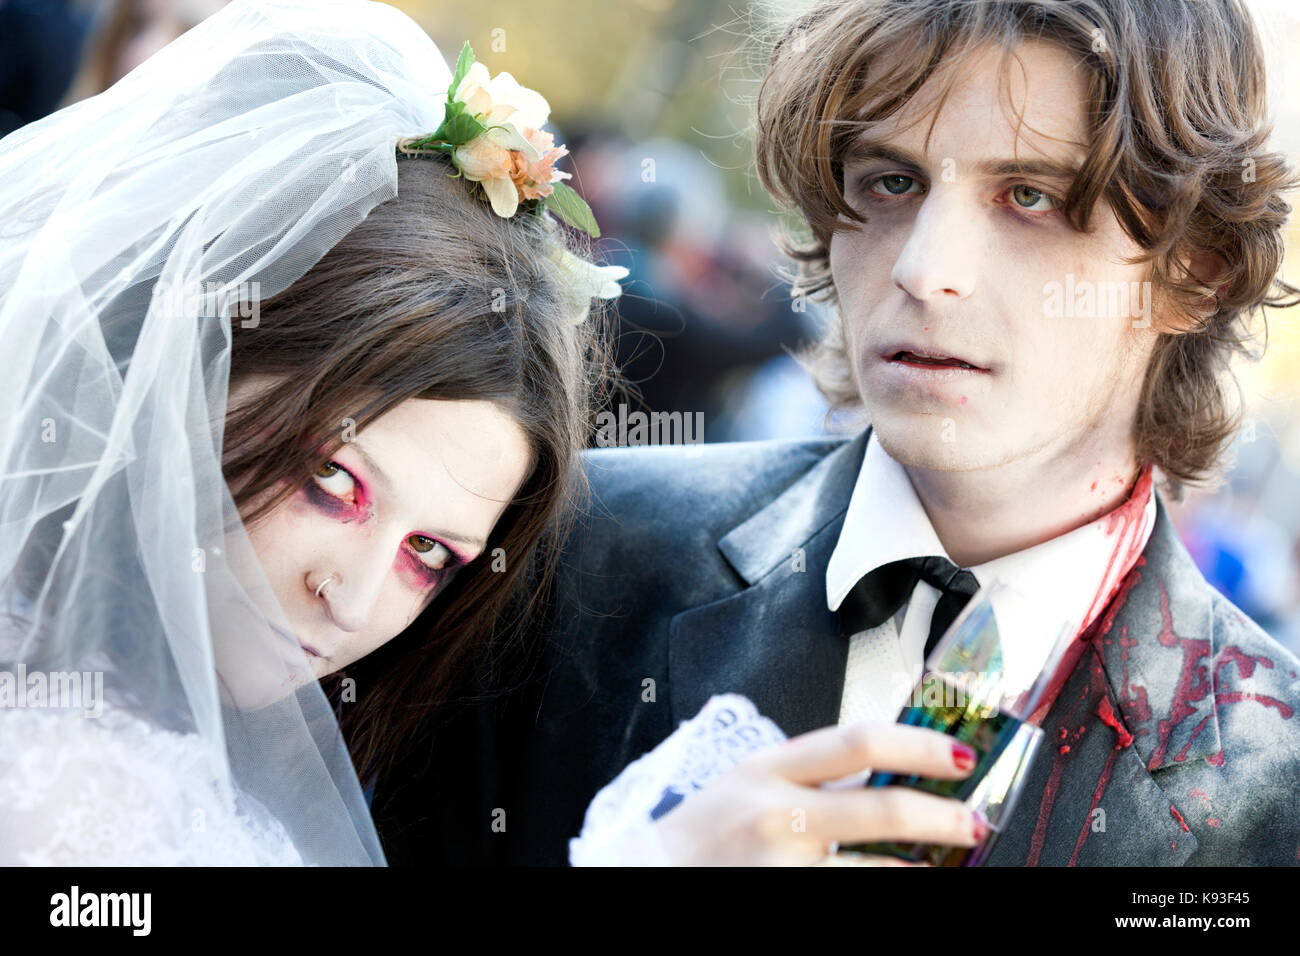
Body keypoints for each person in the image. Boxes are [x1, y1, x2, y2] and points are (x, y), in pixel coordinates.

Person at [372, 0, 1300, 866]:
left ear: (1196, 272)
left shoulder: (1277, 776)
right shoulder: (564, 551)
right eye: (890, 182)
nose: (926, 269)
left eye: (1031, 196)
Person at [0, 0, 622, 865]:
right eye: (335, 481)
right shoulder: (67, 792)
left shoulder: (207, 753)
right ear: (195, 364)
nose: (356, 601)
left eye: (431, 555)